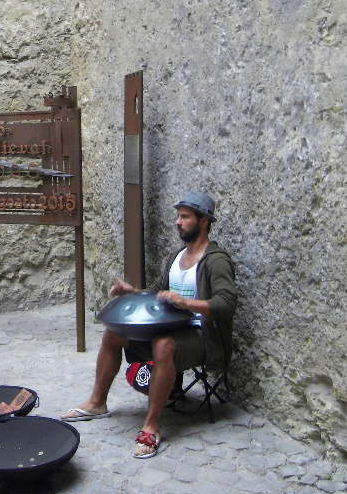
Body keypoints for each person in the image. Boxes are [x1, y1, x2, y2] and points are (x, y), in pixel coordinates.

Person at [60, 192, 238, 458]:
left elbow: (226, 303)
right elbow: (158, 292)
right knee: (113, 334)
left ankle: (151, 426)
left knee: (163, 345)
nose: (178, 222)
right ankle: (97, 402)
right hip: (171, 328)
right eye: (178, 216)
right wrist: (133, 292)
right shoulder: (177, 257)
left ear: (203, 221)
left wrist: (186, 303)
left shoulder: (215, 260)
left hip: (202, 337)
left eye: (185, 217)